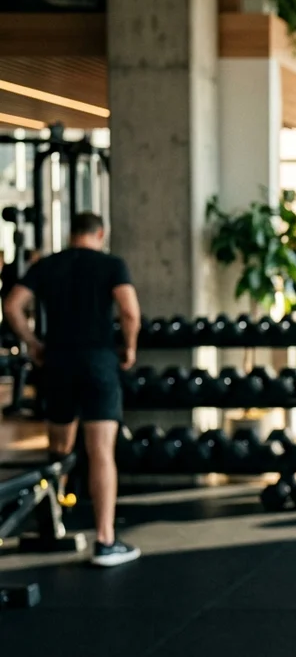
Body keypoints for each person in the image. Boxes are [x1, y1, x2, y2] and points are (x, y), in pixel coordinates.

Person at [2, 213, 142, 567]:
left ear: (71, 233)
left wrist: (33, 343)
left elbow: (11, 306)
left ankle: (54, 526)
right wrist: (128, 348)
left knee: (59, 450)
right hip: (98, 362)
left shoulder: (49, 265)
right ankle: (106, 541)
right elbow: (129, 312)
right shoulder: (112, 264)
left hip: (59, 362)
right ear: (100, 233)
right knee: (100, 451)